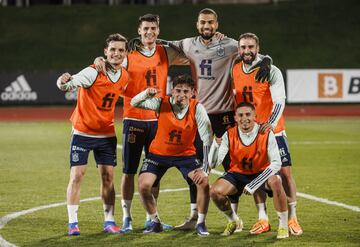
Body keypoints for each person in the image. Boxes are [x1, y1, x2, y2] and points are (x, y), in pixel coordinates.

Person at [167, 8, 271, 231]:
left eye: (211, 23)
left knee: (237, 166)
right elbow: (164, 46)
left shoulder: (230, 45)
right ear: (197, 24)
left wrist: (267, 59)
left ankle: (248, 217)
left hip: (224, 115)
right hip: (199, 116)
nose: (207, 26)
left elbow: (249, 52)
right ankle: (195, 217)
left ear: (217, 24)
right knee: (195, 168)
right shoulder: (187, 44)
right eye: (203, 23)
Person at [94, 14, 188, 232]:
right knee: (129, 170)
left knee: (154, 171)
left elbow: (192, 53)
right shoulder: (128, 57)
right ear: (139, 31)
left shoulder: (166, 53)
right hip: (134, 120)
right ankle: (127, 218)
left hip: (158, 121)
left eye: (153, 28)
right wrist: (99, 60)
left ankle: (151, 217)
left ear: (158, 30)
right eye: (145, 28)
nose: (149, 32)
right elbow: (109, 62)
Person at [57, 33, 129, 235]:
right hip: (82, 132)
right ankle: (73, 224)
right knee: (77, 175)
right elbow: (71, 82)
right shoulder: (93, 72)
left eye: (120, 50)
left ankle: (109, 221)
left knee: (108, 178)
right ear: (105, 52)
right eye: (112, 49)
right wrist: (63, 81)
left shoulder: (124, 75)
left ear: (125, 54)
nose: (116, 53)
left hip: (106, 135)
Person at [232, 32, 303, 236]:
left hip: (274, 131)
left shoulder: (271, 70)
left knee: (286, 173)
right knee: (256, 174)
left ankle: (293, 217)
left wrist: (270, 124)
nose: (247, 51)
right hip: (250, 133)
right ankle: (262, 219)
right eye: (243, 47)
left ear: (258, 48)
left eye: (251, 47)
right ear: (239, 49)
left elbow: (280, 99)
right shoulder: (235, 69)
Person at [131, 74, 213, 236]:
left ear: (193, 93)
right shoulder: (161, 103)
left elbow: (208, 140)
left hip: (185, 156)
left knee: (203, 182)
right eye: (177, 90)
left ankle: (200, 223)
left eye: (185, 91)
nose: (181, 95)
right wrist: (147, 93)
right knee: (143, 185)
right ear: (172, 91)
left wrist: (205, 169)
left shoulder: (198, 108)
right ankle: (155, 222)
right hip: (157, 155)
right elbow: (135, 102)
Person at [209, 102, 289, 239]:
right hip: (238, 174)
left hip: (261, 173)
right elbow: (214, 163)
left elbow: (276, 163)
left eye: (248, 114)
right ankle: (233, 220)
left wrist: (254, 184)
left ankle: (283, 226)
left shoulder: (266, 133)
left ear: (255, 116)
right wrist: (214, 146)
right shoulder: (229, 134)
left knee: (276, 181)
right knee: (215, 192)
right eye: (240, 115)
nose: (244, 118)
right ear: (235, 117)